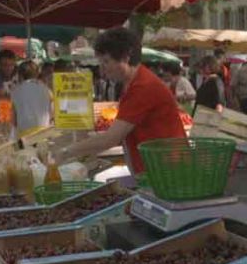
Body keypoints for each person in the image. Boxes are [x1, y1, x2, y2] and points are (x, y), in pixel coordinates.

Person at [54, 27, 185, 175]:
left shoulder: (143, 87)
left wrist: (66, 151)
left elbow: (110, 139)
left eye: (106, 62)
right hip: (155, 169)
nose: (103, 70)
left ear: (125, 58)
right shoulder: (132, 83)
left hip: (167, 171)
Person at [11, 60, 52, 136]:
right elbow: (52, 112)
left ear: (20, 75)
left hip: (25, 135)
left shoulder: (16, 91)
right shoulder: (46, 89)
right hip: (44, 132)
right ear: (37, 74)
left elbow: (14, 119)